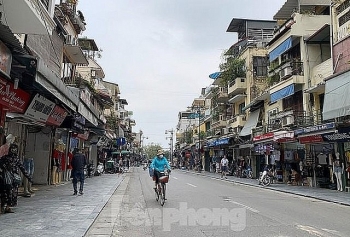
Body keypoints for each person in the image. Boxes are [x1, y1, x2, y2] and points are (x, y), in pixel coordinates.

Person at [0, 144, 32, 213]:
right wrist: (29, 177)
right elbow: (23, 169)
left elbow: (22, 169)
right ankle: (6, 207)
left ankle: (4, 207)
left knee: (5, 193)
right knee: (10, 193)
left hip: (6, 179)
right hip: (11, 179)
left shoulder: (5, 158)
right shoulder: (16, 159)